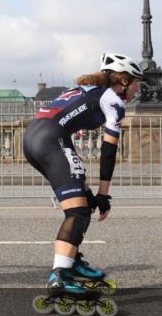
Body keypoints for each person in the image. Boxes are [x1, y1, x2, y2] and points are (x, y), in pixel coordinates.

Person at [23, 52, 142, 303]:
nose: (138, 90)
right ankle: (61, 275)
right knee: (78, 213)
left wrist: (89, 192)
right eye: (136, 83)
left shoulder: (85, 88)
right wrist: (103, 193)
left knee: (82, 204)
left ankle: (72, 261)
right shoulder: (114, 101)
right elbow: (108, 152)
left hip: (34, 137)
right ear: (123, 81)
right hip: (52, 140)